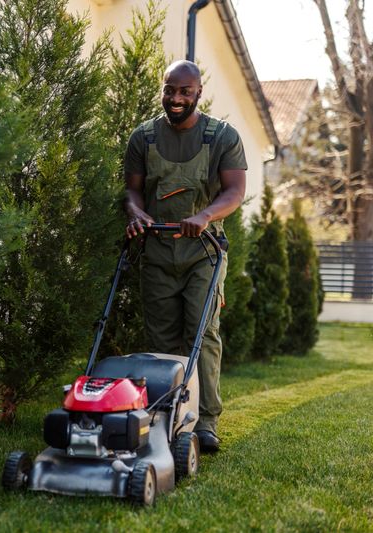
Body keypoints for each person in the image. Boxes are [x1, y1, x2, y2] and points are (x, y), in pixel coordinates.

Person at [123, 60, 247, 452]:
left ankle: (206, 420)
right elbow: (133, 191)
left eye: (184, 92)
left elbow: (234, 192)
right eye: (170, 90)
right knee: (159, 339)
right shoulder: (143, 137)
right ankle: (164, 413)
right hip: (158, 250)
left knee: (201, 331)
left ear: (198, 93)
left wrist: (204, 216)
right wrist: (137, 213)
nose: (175, 99)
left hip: (203, 253)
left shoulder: (222, 137)